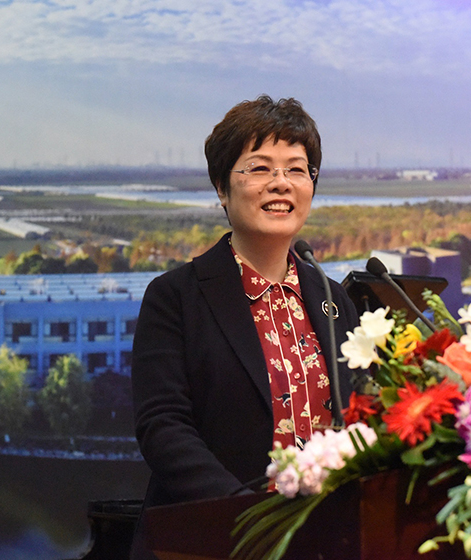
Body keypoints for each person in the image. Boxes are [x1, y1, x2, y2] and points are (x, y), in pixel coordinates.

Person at [129, 95, 360, 559]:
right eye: (259, 168)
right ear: (222, 187)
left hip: (324, 539)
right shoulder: (176, 297)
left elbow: (359, 422)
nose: (281, 183)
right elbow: (163, 427)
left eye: (297, 169)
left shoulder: (334, 300)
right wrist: (244, 515)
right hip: (214, 540)